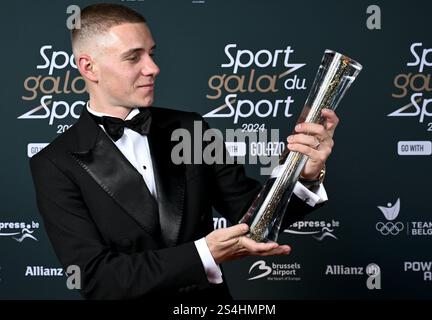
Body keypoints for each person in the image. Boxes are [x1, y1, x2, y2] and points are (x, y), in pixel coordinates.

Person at [30, 3, 339, 300]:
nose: (153, 68)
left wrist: (305, 174)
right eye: (133, 57)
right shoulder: (55, 163)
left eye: (151, 54)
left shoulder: (189, 128)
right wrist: (204, 253)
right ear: (89, 67)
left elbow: (254, 219)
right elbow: (97, 279)